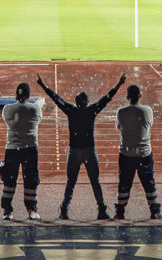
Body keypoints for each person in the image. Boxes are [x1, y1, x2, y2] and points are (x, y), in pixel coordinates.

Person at [36, 72, 126, 220]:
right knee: (95, 181)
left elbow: (56, 98)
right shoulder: (92, 111)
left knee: (71, 182)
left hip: (74, 151)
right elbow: (107, 98)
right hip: (89, 150)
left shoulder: (71, 111)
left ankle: (64, 209)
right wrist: (119, 83)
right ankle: (101, 209)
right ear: (87, 102)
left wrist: (43, 85)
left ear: (76, 102)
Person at [114, 83, 161, 220]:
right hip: (144, 153)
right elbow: (149, 125)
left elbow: (119, 127)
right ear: (140, 96)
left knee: (124, 182)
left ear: (127, 96)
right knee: (149, 182)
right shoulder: (147, 110)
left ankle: (120, 211)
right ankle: (154, 210)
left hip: (126, 153)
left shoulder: (121, 112)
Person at [0, 81, 43, 220]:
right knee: (31, 180)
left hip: (12, 149)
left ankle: (7, 211)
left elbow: (10, 119)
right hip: (30, 149)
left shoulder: (7, 109)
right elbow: (35, 118)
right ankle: (31, 210)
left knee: (9, 180)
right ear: (28, 95)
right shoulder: (35, 109)